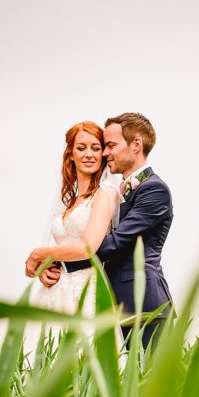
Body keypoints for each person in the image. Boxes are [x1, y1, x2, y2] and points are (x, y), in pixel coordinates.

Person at [28, 112, 174, 347]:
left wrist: (53, 260)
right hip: (110, 298)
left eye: (109, 146)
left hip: (144, 303)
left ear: (136, 145)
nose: (104, 153)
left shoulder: (154, 190)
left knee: (147, 380)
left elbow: (113, 242)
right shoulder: (121, 192)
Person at [25, 121, 119, 315]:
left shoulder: (105, 194)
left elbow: (86, 248)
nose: (89, 154)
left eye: (95, 148)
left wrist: (38, 254)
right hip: (55, 289)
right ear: (71, 154)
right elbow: (64, 246)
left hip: (85, 287)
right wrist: (46, 267)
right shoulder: (70, 203)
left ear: (102, 154)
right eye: (81, 148)